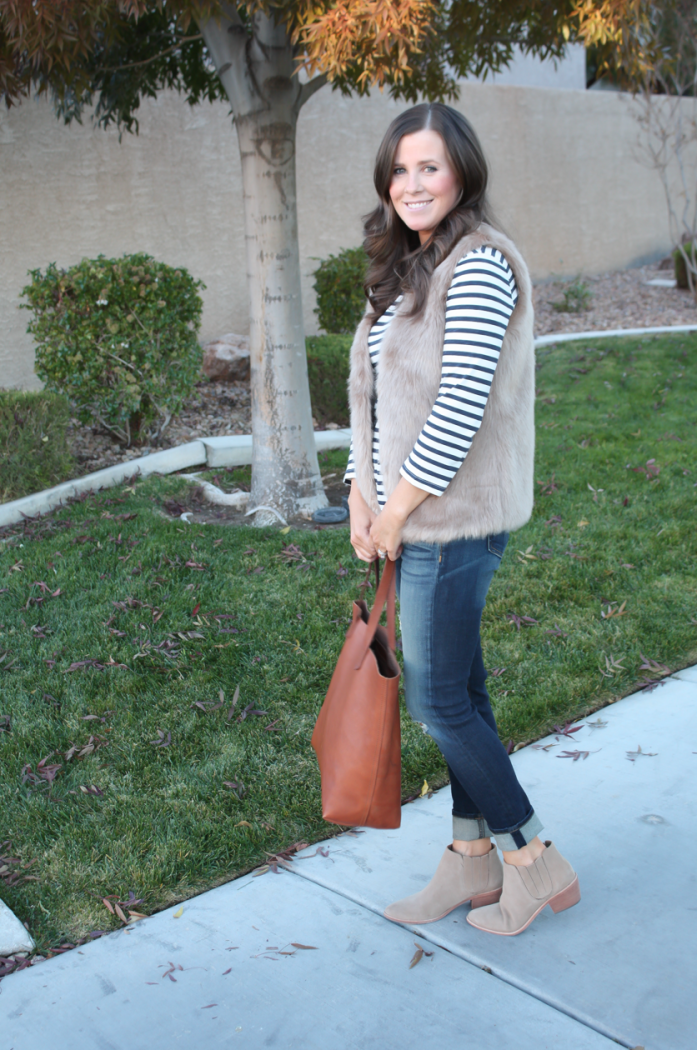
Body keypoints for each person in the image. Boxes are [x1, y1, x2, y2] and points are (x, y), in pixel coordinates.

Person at [344, 102, 579, 936]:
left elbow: (456, 411)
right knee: (461, 695)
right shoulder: (408, 267)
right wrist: (356, 492)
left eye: (429, 167)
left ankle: (532, 859)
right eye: (400, 168)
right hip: (410, 519)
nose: (412, 183)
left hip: (452, 524)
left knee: (441, 704)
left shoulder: (475, 266)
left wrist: (395, 510)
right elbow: (377, 404)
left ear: (462, 174)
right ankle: (469, 865)